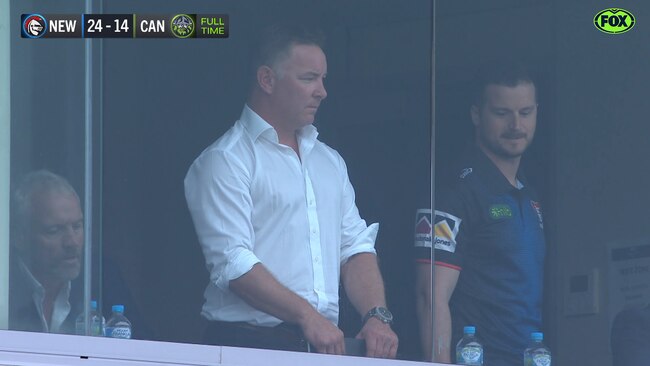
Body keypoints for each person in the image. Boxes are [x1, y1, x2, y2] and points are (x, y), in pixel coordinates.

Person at [184, 24, 398, 358]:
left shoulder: (329, 161)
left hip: (321, 346)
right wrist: (307, 315)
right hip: (248, 345)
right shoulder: (225, 160)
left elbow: (354, 246)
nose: (322, 91)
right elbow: (233, 263)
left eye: (323, 79)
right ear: (267, 80)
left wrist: (376, 316)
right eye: (309, 78)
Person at [414, 61, 546, 365]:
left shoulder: (529, 193)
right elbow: (430, 296)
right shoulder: (451, 192)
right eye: (502, 113)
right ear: (477, 114)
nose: (516, 125)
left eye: (525, 113)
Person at [9, 170, 150, 338]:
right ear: (20, 237)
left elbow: (143, 347)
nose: (72, 242)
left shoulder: (101, 276)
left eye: (77, 227)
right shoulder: (5, 283)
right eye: (54, 230)